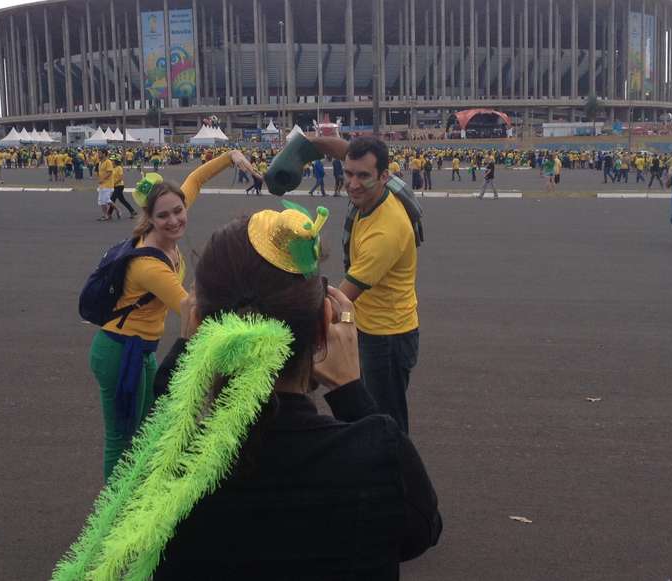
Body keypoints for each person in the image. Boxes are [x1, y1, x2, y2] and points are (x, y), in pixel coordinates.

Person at [53, 203, 441, 581]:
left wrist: (184, 356)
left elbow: (156, 439)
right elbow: (421, 530)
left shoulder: (173, 470)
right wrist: (351, 392)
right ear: (323, 327)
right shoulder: (374, 452)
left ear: (202, 326)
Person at [88, 149, 260, 480]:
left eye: (179, 211)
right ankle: (114, 515)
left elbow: (195, 179)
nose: (175, 220)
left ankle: (135, 497)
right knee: (122, 438)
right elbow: (192, 310)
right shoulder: (149, 265)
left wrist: (231, 157)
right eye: (164, 216)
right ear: (149, 218)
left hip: (142, 349)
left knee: (144, 431)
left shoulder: (168, 229)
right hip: (120, 351)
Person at [268, 136, 421, 433]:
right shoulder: (378, 189)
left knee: (386, 422)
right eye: (348, 173)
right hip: (368, 324)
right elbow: (341, 148)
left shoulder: (386, 233)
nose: (352, 183)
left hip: (386, 336)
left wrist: (290, 308)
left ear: (384, 177)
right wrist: (302, 147)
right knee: (366, 415)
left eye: (363, 176)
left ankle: (396, 474)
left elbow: (341, 298)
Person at [96, 149, 115, 221]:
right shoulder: (100, 162)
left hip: (108, 184)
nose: (98, 155)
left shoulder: (108, 162)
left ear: (104, 154)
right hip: (101, 184)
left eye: (100, 153)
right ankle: (106, 215)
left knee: (105, 200)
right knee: (101, 201)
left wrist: (102, 179)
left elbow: (109, 172)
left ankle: (114, 211)